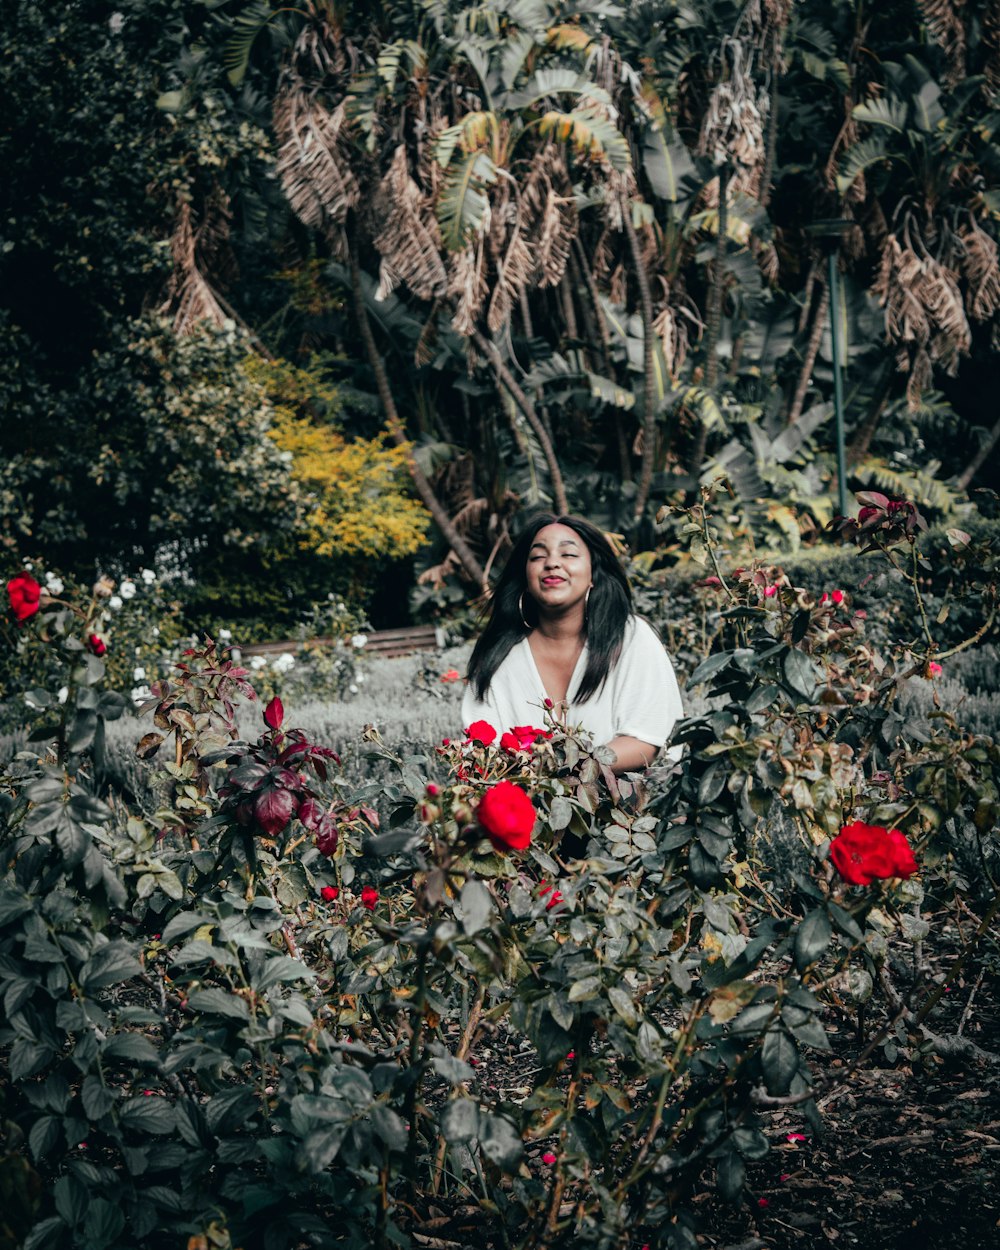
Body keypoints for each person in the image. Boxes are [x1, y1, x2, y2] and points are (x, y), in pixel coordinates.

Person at [461, 514, 683, 773]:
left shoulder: (630, 638)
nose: (552, 563)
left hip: (624, 807)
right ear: (525, 576)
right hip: (523, 809)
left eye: (568, 554)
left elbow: (647, 741)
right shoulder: (497, 658)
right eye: (537, 557)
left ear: (592, 574)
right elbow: (479, 757)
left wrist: (568, 769)